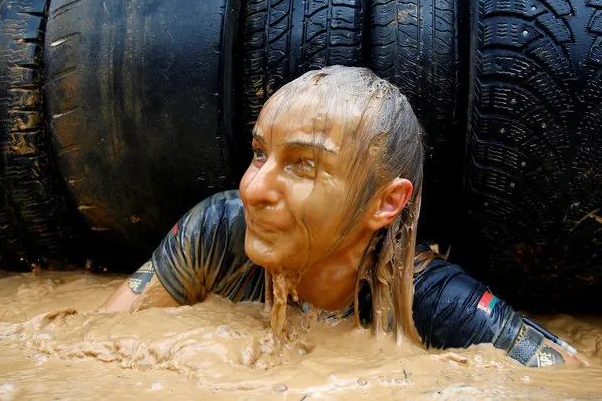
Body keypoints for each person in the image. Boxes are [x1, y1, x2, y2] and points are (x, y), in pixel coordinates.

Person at [102, 66, 584, 368]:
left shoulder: (437, 304)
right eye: (258, 153)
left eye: (302, 164)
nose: (253, 189)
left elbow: (570, 377)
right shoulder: (216, 231)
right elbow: (92, 339)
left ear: (386, 203)